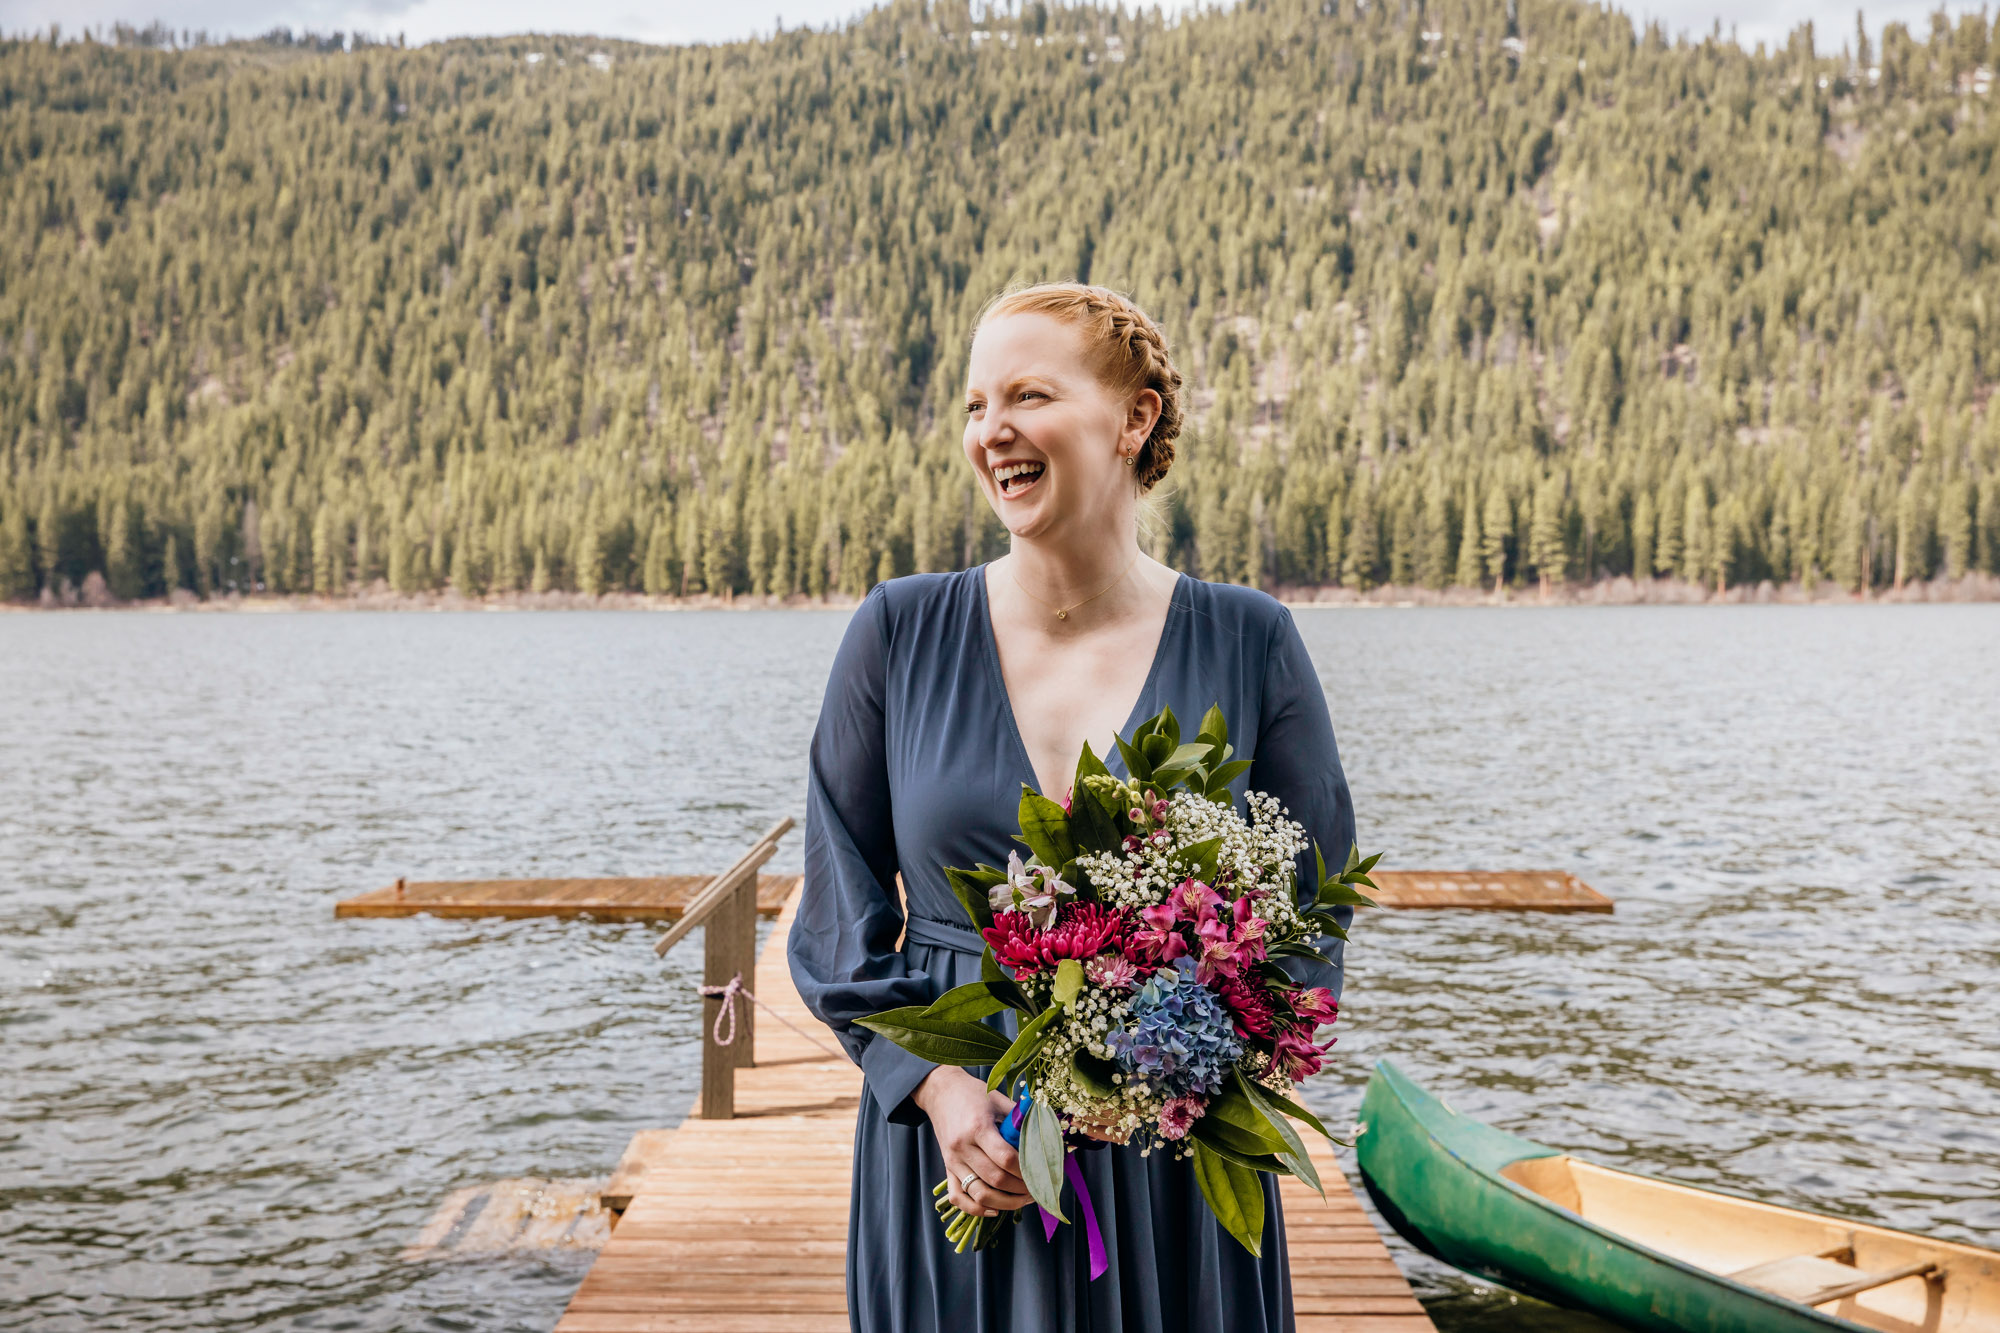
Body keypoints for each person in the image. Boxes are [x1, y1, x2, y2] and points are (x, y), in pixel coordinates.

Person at [788, 282, 1356, 1333]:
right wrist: (934, 1086)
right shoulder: (898, 631)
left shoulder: (1251, 639)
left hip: (1163, 1167)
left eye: (1026, 395)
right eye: (971, 405)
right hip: (954, 1149)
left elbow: (1307, 921)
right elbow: (835, 914)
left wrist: (1144, 1079)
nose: (989, 431)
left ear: (1133, 417)